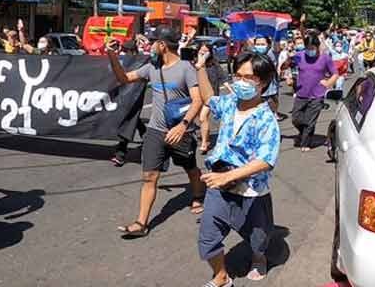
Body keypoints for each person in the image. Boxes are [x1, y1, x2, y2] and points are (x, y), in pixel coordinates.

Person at [107, 28, 205, 238]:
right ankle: (141, 223)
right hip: (155, 131)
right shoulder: (151, 67)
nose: (149, 45)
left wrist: (183, 126)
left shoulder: (186, 68)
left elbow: (198, 99)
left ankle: (198, 193)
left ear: (162, 45)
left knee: (190, 168)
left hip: (181, 131)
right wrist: (112, 55)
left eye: (152, 42)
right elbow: (124, 78)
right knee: (149, 177)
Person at [196, 50, 281, 286]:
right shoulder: (230, 104)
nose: (240, 82)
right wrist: (200, 67)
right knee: (208, 237)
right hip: (219, 184)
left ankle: (259, 258)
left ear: (262, 83)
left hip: (252, 192)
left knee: (257, 239)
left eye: (248, 77)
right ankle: (221, 276)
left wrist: (231, 176)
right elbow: (208, 98)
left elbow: (266, 159)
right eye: (238, 76)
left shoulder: (266, 119)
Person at [282, 34, 338, 152]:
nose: (310, 51)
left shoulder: (325, 58)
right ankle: (304, 133)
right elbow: (285, 67)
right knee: (296, 118)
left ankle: (305, 142)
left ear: (318, 47)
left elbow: (335, 73)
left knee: (310, 120)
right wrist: (288, 61)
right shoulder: (299, 56)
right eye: (308, 48)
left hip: (317, 94)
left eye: (312, 48)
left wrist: (328, 84)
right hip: (301, 93)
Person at [111, 39, 148, 167]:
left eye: (126, 50)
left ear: (132, 51)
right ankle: (148, 138)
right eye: (123, 50)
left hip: (134, 95)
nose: (124, 52)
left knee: (128, 121)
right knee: (134, 120)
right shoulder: (121, 60)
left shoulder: (141, 61)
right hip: (122, 96)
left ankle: (120, 153)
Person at [196, 41, 230, 154]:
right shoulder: (193, 64)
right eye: (202, 51)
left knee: (202, 117)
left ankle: (205, 143)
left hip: (210, 97)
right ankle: (205, 137)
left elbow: (223, 79)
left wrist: (232, 91)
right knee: (200, 119)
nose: (204, 53)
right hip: (196, 96)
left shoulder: (214, 64)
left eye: (206, 51)